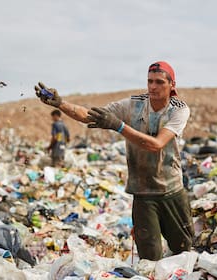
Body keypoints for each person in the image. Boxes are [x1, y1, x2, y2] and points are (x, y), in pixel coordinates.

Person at [35, 61, 194, 260]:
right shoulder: (134, 104)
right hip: (143, 194)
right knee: (149, 259)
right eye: (149, 81)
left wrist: (118, 126)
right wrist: (60, 103)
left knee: (184, 250)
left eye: (159, 82)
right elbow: (90, 116)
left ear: (172, 85)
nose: (153, 86)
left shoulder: (179, 109)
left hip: (172, 191)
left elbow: (156, 144)